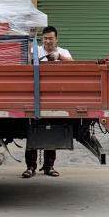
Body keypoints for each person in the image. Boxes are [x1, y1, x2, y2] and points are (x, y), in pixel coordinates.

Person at [23, 26, 72, 178]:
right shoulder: (36, 50)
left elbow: (73, 64)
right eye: (45, 38)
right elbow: (26, 57)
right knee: (32, 132)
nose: (48, 41)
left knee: (51, 132)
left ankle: (49, 166)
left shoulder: (63, 52)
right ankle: (30, 167)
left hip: (54, 100)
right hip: (35, 99)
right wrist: (30, 37)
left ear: (56, 39)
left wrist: (59, 57)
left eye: (51, 38)